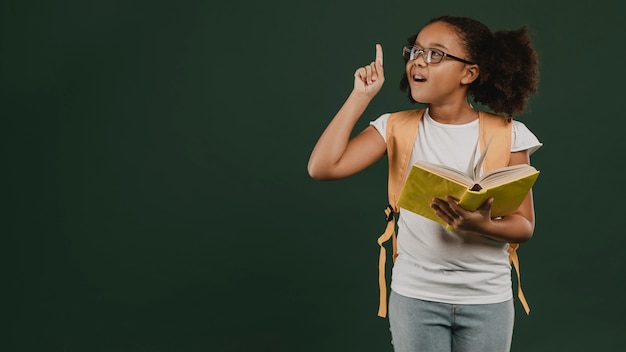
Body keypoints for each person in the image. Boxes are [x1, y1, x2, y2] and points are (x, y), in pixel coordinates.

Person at [307, 15, 542, 352]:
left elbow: (524, 226)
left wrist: (481, 224)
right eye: (415, 51)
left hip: (488, 299)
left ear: (469, 73)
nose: (418, 60)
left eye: (435, 54)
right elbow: (323, 167)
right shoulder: (393, 127)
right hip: (415, 297)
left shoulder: (509, 133)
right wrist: (361, 96)